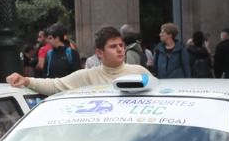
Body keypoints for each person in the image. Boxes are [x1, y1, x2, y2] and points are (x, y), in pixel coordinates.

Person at [9, 26, 153, 95]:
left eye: (121, 45)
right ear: (99, 53)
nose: (120, 49)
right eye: (113, 46)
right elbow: (55, 85)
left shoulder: (140, 73)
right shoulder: (87, 76)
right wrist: (26, 81)